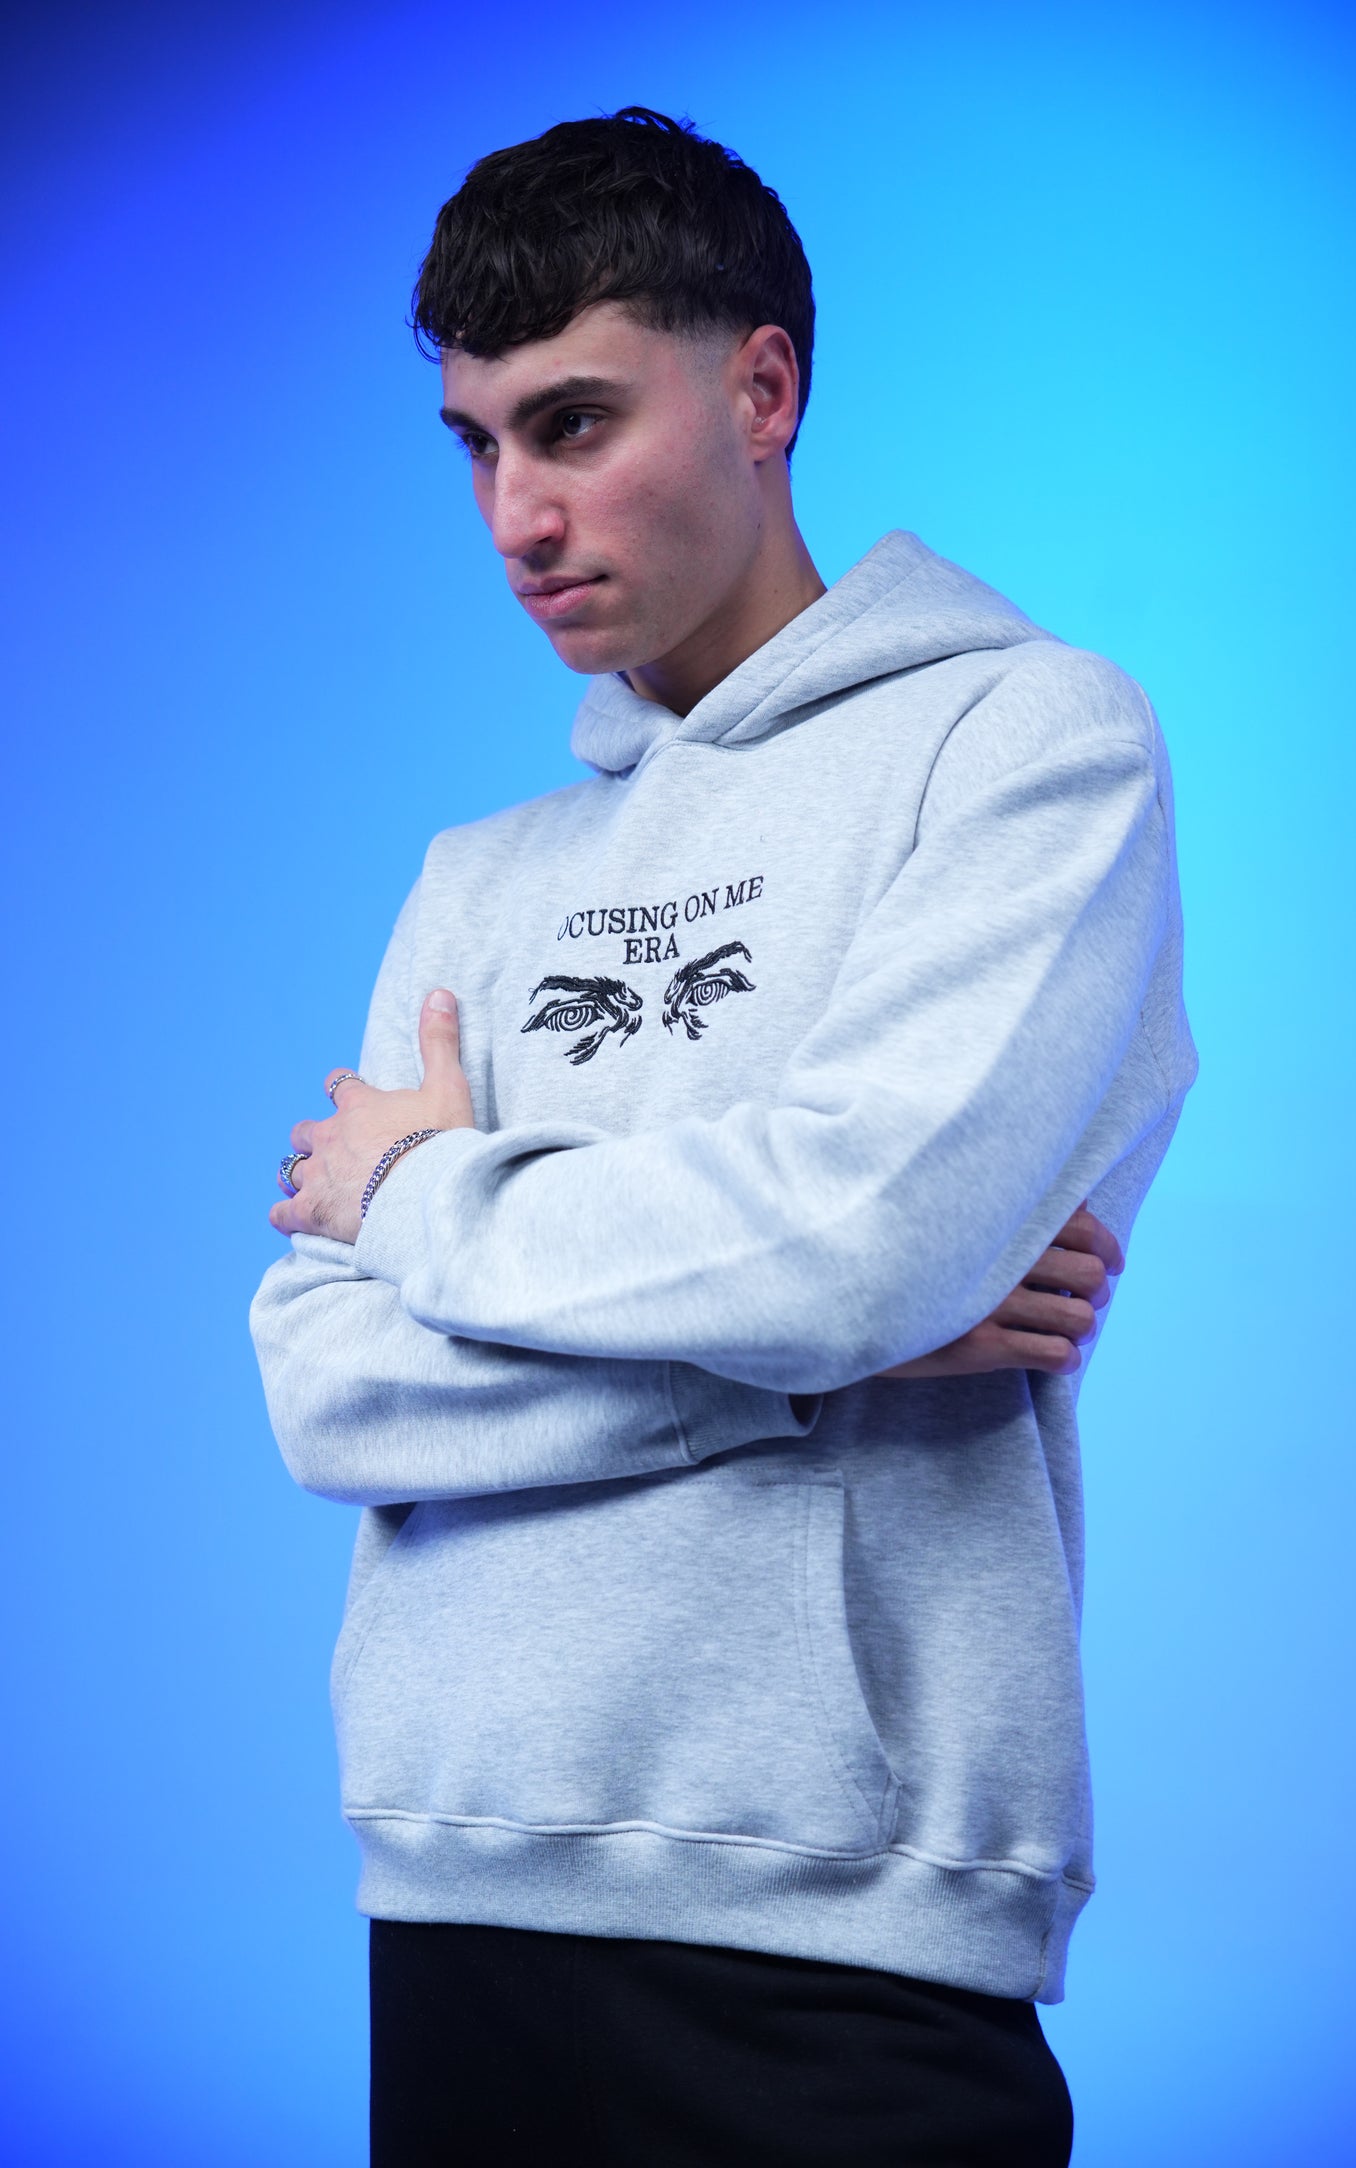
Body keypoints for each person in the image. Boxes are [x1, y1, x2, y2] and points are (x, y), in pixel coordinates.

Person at [250, 105, 1197, 2166]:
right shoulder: (481, 876)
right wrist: (781, 1366)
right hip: (454, 1882)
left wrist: (420, 1189)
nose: (516, 514)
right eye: (476, 445)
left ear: (762, 390)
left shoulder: (1024, 743)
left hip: (842, 1922)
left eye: (575, 424)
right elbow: (325, 1384)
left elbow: (864, 1243)